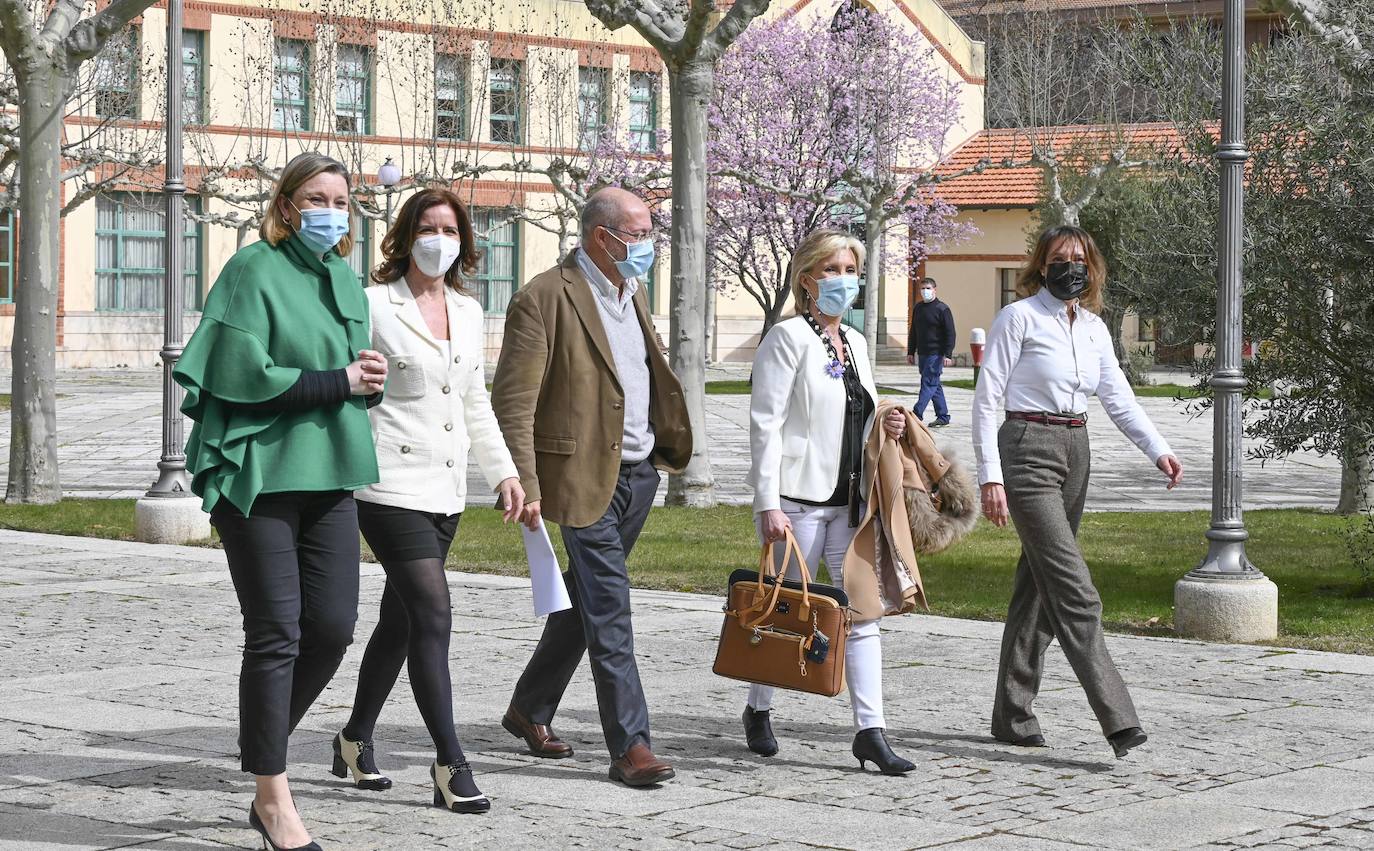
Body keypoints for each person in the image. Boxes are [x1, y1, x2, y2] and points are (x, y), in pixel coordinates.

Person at [173, 152, 386, 851]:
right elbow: (240, 373)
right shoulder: (250, 270)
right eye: (317, 197)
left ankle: (261, 744)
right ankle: (273, 796)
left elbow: (351, 373)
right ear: (287, 204)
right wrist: (341, 381)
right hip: (260, 473)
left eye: (342, 200)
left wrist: (369, 381)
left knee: (332, 626)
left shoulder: (346, 280)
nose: (332, 210)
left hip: (329, 473)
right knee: (277, 631)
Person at [491, 187, 692, 787]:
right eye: (638, 234)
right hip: (579, 480)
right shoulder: (544, 298)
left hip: (638, 474)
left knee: (586, 602)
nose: (648, 245)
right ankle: (631, 745)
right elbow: (514, 399)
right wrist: (524, 482)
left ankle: (528, 707)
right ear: (602, 237)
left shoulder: (633, 292)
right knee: (611, 610)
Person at [333, 189, 526, 814]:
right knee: (434, 614)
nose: (437, 239)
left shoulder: (469, 312)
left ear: (463, 242)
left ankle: (355, 739)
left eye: (448, 228)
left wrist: (506, 475)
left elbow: (475, 402)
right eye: (426, 227)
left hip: (446, 490)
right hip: (387, 484)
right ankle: (450, 762)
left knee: (401, 621)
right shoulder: (371, 306)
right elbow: (350, 389)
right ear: (405, 236)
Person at [971, 225, 1184, 759]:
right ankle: (1119, 718)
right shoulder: (1017, 318)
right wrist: (990, 475)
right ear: (1041, 266)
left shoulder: (1093, 327)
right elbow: (986, 399)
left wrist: (1157, 448)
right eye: (1061, 258)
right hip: (1025, 448)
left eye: (1081, 259)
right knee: (1074, 588)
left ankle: (1011, 716)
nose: (1072, 267)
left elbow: (1117, 395)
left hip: (1076, 449)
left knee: (1038, 585)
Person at [746, 227, 916, 775]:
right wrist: (766, 502)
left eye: (851, 270)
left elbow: (857, 413)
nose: (844, 280)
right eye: (832, 271)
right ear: (807, 280)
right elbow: (764, 426)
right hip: (797, 501)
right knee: (786, 613)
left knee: (862, 616)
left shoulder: (858, 343)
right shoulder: (787, 338)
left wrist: (885, 418)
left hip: (851, 503)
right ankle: (758, 707)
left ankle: (870, 731)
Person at [906, 276, 955, 427]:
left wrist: (948, 354)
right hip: (923, 353)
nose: (925, 291)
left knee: (928, 382)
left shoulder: (942, 309)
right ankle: (943, 415)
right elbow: (913, 331)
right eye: (923, 288)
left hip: (936, 353)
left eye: (928, 288)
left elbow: (950, 333)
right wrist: (910, 351)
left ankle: (916, 413)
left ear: (934, 290)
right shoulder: (918, 308)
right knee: (934, 384)